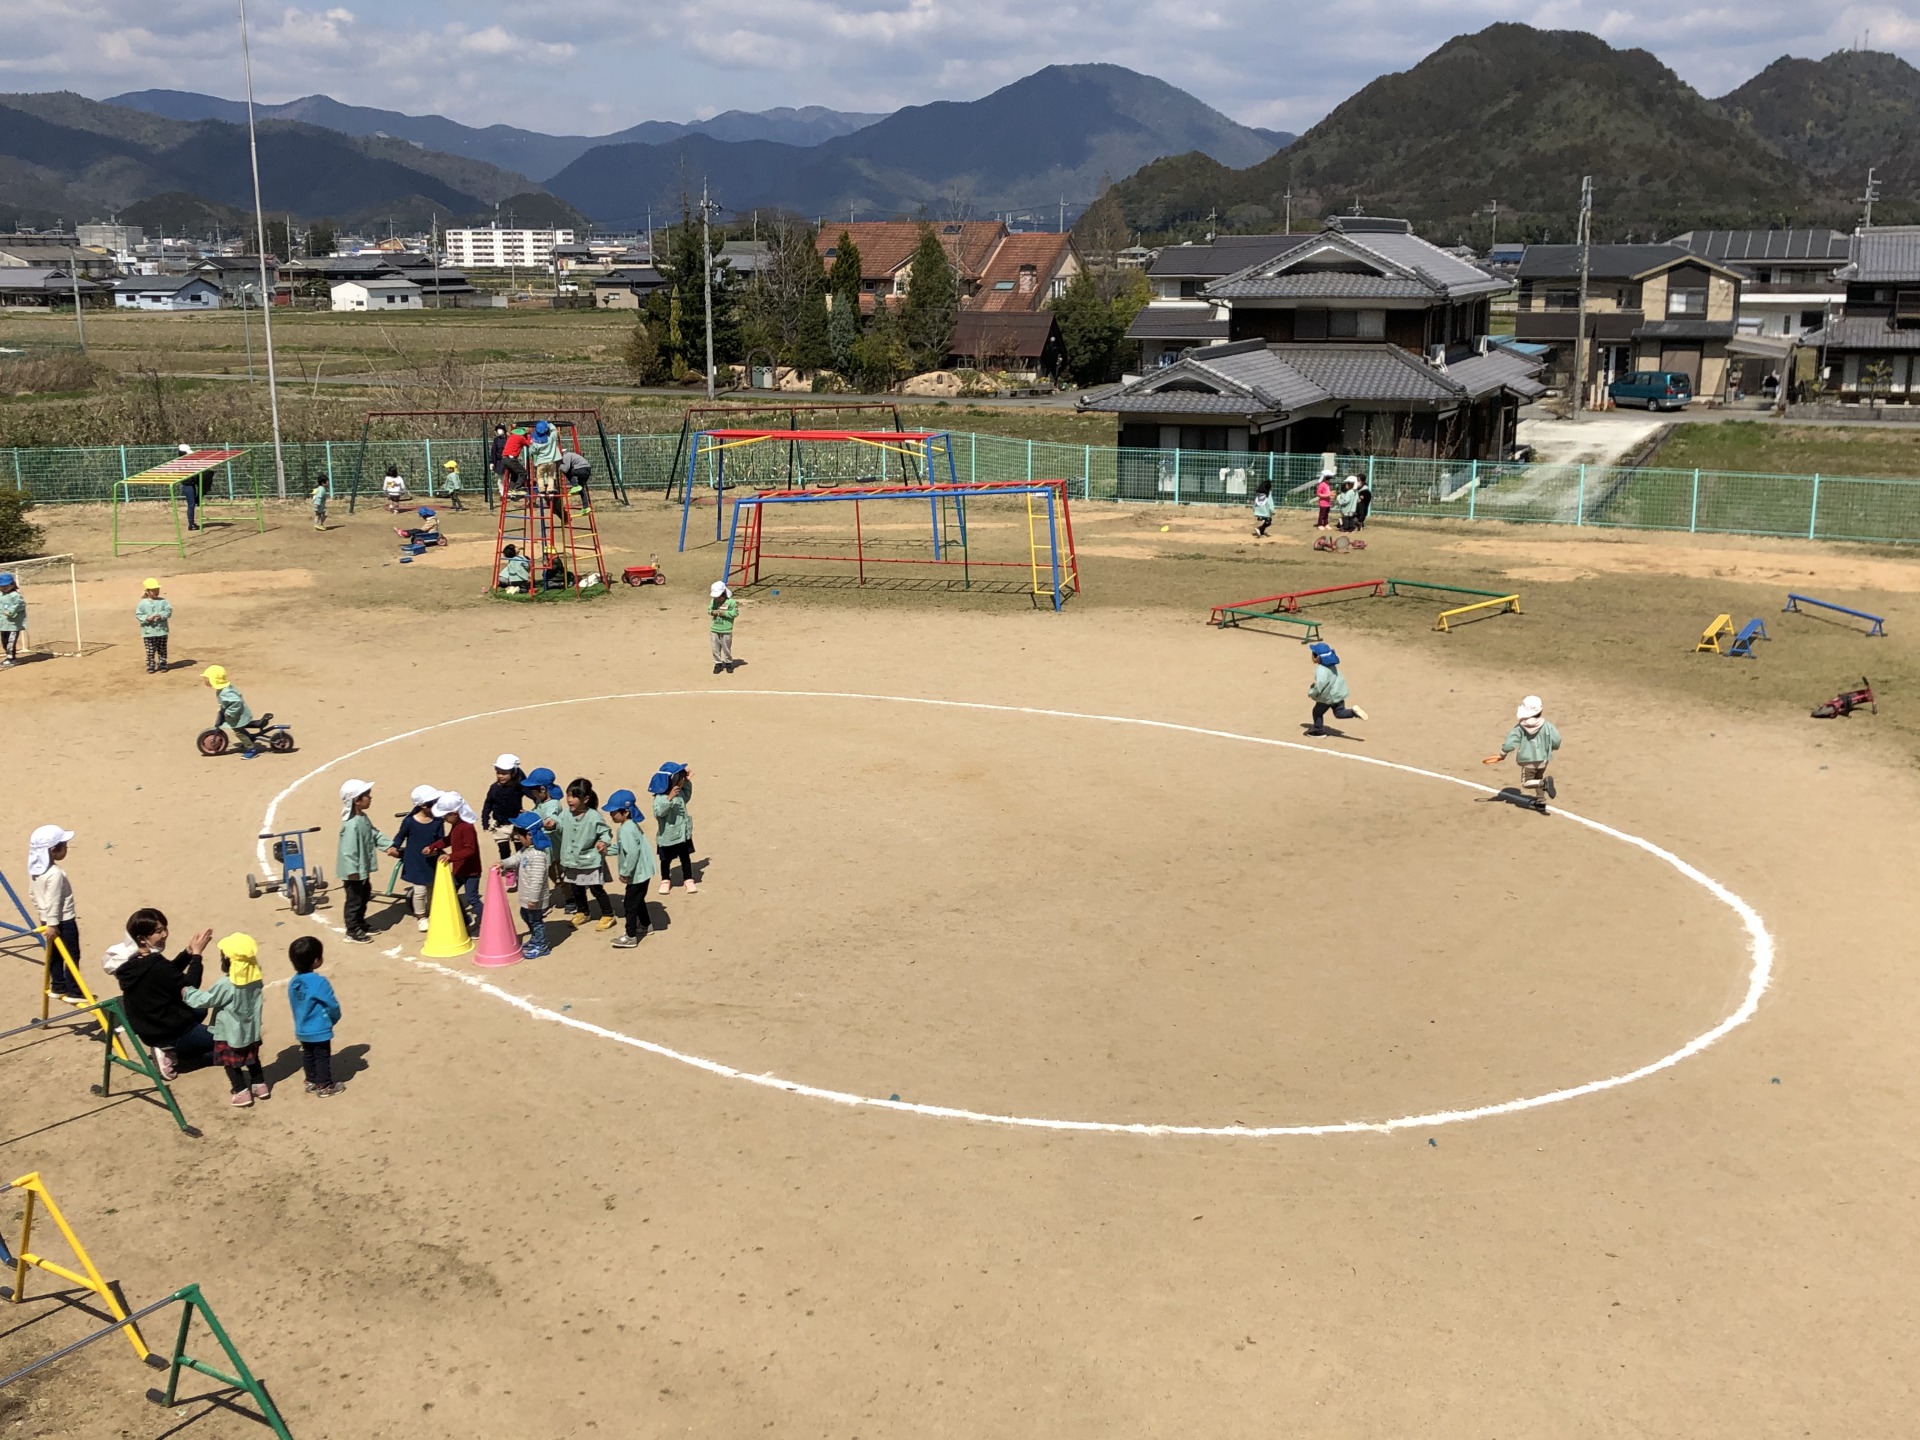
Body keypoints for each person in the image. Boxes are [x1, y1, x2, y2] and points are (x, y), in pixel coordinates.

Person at [116, 909, 216, 1080]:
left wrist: (188, 952)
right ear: (142, 938)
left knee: (201, 1010)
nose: (164, 934)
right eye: (158, 931)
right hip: (169, 1030)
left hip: (149, 1027)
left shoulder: (136, 963)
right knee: (231, 1044)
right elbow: (190, 987)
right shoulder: (155, 964)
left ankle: (170, 1047)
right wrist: (197, 956)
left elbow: (169, 974)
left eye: (165, 929)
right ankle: (173, 1052)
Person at [184, 934, 269, 1108]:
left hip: (229, 1033)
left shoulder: (226, 984)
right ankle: (260, 1085)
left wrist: (188, 993)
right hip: (250, 1031)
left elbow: (206, 1000)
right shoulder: (256, 979)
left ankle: (241, 1091)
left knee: (230, 1063)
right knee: (252, 1058)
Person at [28, 823, 83, 999]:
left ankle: (58, 985)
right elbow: (54, 899)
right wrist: (52, 923)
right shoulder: (55, 874)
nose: (66, 849)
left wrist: (44, 917)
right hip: (63, 921)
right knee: (72, 954)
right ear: (53, 851)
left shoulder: (35, 871)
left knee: (54, 954)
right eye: (64, 846)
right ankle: (74, 990)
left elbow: (33, 895)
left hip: (47, 919)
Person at [288, 935, 345, 1097]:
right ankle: (325, 1085)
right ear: (315, 961)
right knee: (322, 1057)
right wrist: (334, 1018)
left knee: (308, 1054)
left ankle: (311, 1080)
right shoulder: (319, 982)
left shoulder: (294, 982)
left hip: (302, 1027)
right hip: (319, 1028)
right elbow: (332, 1005)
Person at [554, 777, 614, 929]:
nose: (570, 800)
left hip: (589, 860)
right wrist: (552, 825)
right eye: (568, 795)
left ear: (586, 799)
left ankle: (608, 914)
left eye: (574, 796)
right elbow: (559, 826)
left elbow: (605, 832)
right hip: (571, 859)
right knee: (576, 888)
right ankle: (583, 912)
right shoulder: (566, 814)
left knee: (596, 889)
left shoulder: (594, 816)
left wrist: (603, 842)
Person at [336, 779, 390, 944]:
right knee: (354, 900)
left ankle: (360, 923)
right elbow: (348, 852)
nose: (370, 798)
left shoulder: (363, 818)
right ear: (356, 801)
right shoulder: (351, 825)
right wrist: (352, 871)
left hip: (362, 870)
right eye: (367, 795)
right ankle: (352, 930)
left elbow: (374, 834)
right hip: (354, 872)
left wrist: (388, 846)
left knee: (365, 894)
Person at [388, 789, 445, 932]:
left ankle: (432, 911)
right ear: (423, 805)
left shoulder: (438, 821)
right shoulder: (409, 822)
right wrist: (394, 847)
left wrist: (436, 849)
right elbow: (400, 836)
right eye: (434, 802)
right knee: (419, 891)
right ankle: (421, 917)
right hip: (415, 861)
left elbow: (441, 839)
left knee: (432, 889)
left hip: (432, 861)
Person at [1495, 694, 1562, 813]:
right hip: (1544, 759)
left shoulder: (1520, 728)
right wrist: (1553, 748)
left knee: (1526, 783)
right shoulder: (1547, 725)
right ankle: (1541, 801)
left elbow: (1510, 742)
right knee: (1537, 777)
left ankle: (1544, 783)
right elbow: (1557, 740)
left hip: (1528, 761)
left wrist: (1503, 753)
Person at [605, 789, 655, 949]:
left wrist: (625, 872)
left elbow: (632, 853)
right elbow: (623, 848)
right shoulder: (630, 826)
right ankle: (646, 925)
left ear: (626, 812)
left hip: (637, 874)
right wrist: (607, 850)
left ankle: (630, 936)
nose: (611, 815)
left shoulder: (626, 829)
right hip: (642, 872)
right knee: (637, 900)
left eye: (614, 812)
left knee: (629, 904)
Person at [426, 790, 483, 928]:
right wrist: (433, 846)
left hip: (471, 872)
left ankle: (485, 923)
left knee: (472, 898)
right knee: (450, 893)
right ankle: (463, 919)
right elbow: (449, 840)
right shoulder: (456, 825)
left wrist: (450, 856)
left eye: (446, 815)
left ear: (455, 813)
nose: (444, 818)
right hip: (459, 869)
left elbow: (470, 850)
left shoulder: (467, 827)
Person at [502, 814, 553, 959]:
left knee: (536, 921)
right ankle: (536, 939)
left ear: (529, 835)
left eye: (520, 835)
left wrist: (533, 899)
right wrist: (503, 863)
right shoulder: (526, 850)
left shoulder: (538, 856)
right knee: (525, 915)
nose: (518, 838)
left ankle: (542, 946)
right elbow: (517, 858)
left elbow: (537, 880)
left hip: (535, 898)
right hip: (527, 895)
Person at [1305, 642, 1369, 736]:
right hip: (1338, 693)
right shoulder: (1332, 666)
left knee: (1317, 712)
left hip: (1328, 697)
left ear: (1318, 657)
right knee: (1339, 712)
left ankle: (1318, 730)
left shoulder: (1321, 669)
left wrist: (1311, 692)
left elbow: (1320, 685)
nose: (1312, 656)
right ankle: (1353, 712)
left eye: (1314, 654)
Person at [652, 765, 697, 894]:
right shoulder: (660, 797)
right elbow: (659, 813)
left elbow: (687, 796)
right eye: (680, 778)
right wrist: (669, 798)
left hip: (683, 834)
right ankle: (665, 880)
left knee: (685, 858)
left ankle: (688, 879)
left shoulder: (680, 793)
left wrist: (687, 782)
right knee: (665, 860)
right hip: (668, 835)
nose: (682, 781)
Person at [201, 664, 258, 758]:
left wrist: (229, 712)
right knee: (239, 729)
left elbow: (236, 702)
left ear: (214, 680)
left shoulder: (226, 692)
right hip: (238, 713)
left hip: (238, 715)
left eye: (207, 679)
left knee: (238, 731)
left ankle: (251, 748)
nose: (205, 681)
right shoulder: (224, 688)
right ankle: (249, 738)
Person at [482, 754, 527, 863]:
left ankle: (521, 870)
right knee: (504, 851)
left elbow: (532, 794)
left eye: (504, 773)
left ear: (513, 773)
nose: (501, 776)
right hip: (500, 825)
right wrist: (485, 820)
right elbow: (488, 804)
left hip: (516, 823)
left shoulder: (519, 786)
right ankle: (507, 871)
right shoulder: (494, 788)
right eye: (498, 773)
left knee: (520, 850)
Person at [135, 579, 172, 674]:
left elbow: (168, 611)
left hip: (162, 631)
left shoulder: (163, 601)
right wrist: (146, 618)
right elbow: (139, 614)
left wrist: (161, 615)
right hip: (148, 632)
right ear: (147, 591)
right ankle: (150, 665)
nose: (156, 592)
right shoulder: (142, 603)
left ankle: (163, 664)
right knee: (150, 650)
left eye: (157, 590)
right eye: (153, 590)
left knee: (162, 649)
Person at [709, 581, 739, 675]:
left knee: (726, 647)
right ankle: (718, 663)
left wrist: (724, 613)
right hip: (715, 628)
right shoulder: (713, 601)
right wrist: (712, 612)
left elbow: (735, 613)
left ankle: (728, 662)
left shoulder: (731, 602)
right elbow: (709, 609)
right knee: (715, 647)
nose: (717, 599)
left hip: (726, 629)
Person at [558, 448, 592, 514]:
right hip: (587, 469)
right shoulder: (571, 454)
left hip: (582, 468)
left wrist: (558, 465)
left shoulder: (566, 456)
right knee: (581, 489)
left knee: (567, 471)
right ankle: (585, 507)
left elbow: (565, 469)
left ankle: (575, 485)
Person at [175, 444, 201, 532]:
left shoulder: (186, 462)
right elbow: (187, 478)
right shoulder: (181, 463)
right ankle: (191, 524)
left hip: (191, 485)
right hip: (188, 486)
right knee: (191, 505)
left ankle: (192, 523)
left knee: (192, 504)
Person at [0, 572, 23, 668]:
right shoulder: (1, 595)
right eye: (2, 586)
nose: (4, 588)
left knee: (10, 642)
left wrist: (11, 611)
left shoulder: (15, 595)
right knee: (4, 642)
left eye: (6, 585)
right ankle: (9, 657)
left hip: (13, 625)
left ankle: (11, 659)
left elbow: (20, 605)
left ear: (12, 584)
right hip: (4, 624)